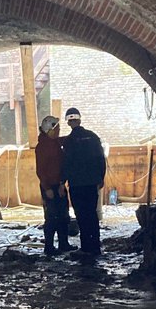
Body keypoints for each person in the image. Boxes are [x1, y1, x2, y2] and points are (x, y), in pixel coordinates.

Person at [60, 106, 107, 257]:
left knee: (81, 215)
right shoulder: (93, 137)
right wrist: (101, 177)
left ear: (68, 123)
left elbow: (66, 163)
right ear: (80, 119)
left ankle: (86, 246)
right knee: (92, 214)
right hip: (91, 182)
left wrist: (63, 181)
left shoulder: (69, 141)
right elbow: (101, 158)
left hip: (77, 184)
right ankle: (95, 246)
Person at [34, 115, 71, 256]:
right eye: (57, 129)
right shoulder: (42, 147)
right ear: (49, 130)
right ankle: (49, 247)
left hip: (59, 184)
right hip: (50, 186)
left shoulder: (54, 143)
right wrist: (47, 188)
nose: (59, 131)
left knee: (63, 215)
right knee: (51, 217)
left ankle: (63, 244)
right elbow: (41, 169)